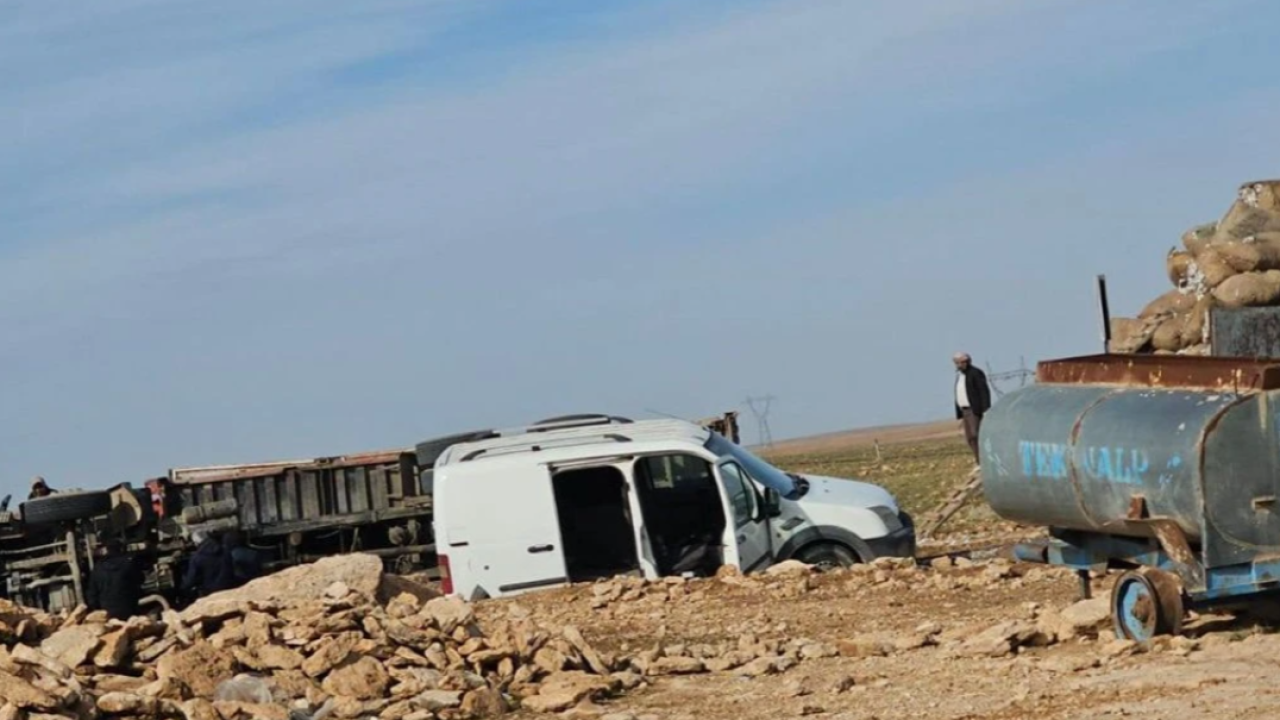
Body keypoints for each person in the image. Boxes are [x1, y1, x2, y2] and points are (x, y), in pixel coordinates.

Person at [85, 538, 144, 620]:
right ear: (121, 549)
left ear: (107, 550)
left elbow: (92, 592)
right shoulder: (128, 564)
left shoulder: (98, 567)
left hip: (106, 612)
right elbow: (140, 579)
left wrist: (96, 608)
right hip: (128, 608)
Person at [953, 352, 992, 464]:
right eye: (957, 363)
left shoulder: (975, 373)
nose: (959, 365)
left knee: (976, 435)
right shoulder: (959, 376)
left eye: (962, 362)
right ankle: (978, 461)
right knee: (970, 437)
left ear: (968, 362)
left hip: (974, 410)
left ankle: (985, 461)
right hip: (964, 411)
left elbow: (983, 391)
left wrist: (985, 409)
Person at [181, 530, 227, 600]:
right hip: (228, 589)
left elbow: (190, 581)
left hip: (209, 593)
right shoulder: (225, 550)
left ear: (196, 543)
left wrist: (182, 585)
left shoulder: (197, 558)